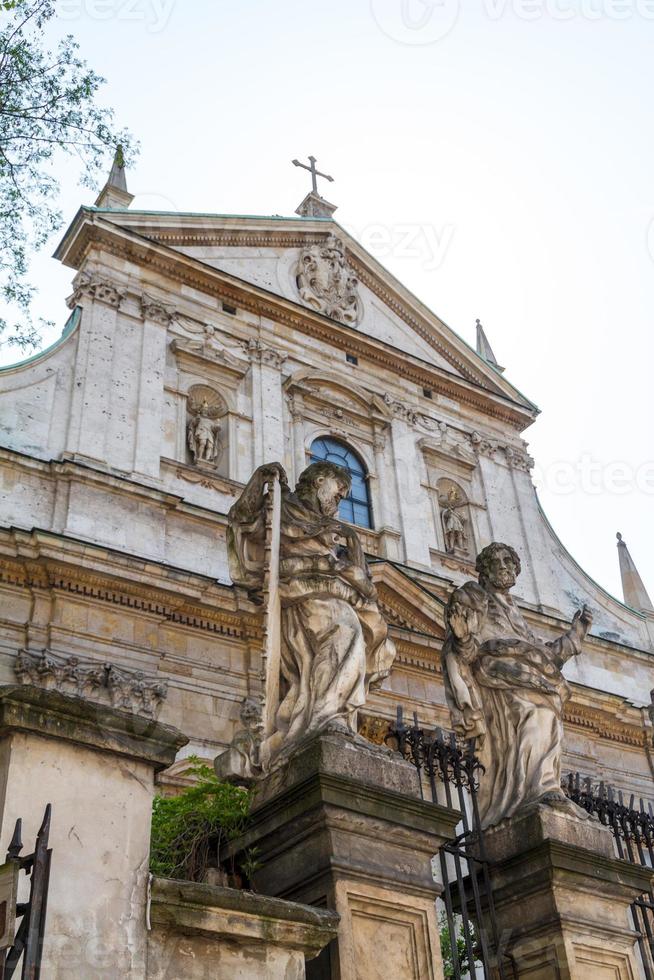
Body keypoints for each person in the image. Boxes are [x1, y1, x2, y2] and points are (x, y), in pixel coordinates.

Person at [227, 460, 396, 767]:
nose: (341, 499)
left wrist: (343, 571)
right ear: (319, 481)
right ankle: (325, 718)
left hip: (338, 598)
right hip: (302, 598)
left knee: (350, 637)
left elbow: (368, 587)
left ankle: (332, 718)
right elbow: (242, 522)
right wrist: (259, 480)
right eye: (338, 490)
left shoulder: (343, 534)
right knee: (345, 631)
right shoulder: (282, 508)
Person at [442, 541, 593, 827]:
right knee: (537, 714)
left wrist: (575, 636)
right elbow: (466, 649)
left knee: (547, 719)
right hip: (497, 676)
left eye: (508, 561)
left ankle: (541, 788)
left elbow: (542, 654)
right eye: (496, 561)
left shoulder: (515, 613)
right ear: (484, 572)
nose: (503, 566)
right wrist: (462, 639)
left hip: (531, 679)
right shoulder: (474, 598)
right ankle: (537, 790)